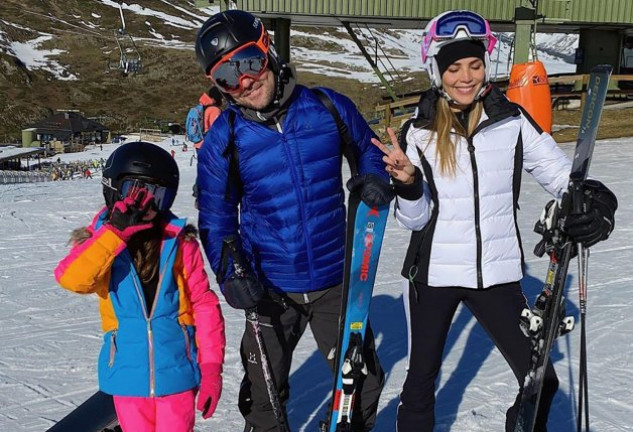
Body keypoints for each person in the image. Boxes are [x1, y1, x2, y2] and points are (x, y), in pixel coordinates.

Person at [371, 10, 618, 432]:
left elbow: (561, 176)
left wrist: (597, 200)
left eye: (474, 64)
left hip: (498, 275)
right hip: (433, 275)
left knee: (540, 380)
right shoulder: (418, 133)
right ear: (436, 71)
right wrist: (410, 185)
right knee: (419, 386)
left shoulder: (512, 121)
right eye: (453, 67)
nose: (465, 77)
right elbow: (413, 221)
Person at [194, 10, 393, 432]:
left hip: (335, 280)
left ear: (267, 49)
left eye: (247, 62)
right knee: (264, 398)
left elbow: (368, 148)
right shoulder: (224, 139)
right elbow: (216, 218)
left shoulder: (327, 107)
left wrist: (372, 178)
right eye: (227, 76)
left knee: (361, 383)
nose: (244, 81)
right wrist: (232, 275)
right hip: (269, 287)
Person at [54, 141, 226, 432]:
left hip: (178, 374)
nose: (145, 204)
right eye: (135, 191)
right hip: (127, 378)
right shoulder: (99, 243)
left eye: (157, 194)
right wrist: (115, 234)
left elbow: (204, 305)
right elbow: (72, 279)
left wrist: (211, 370)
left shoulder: (179, 242)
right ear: (113, 189)